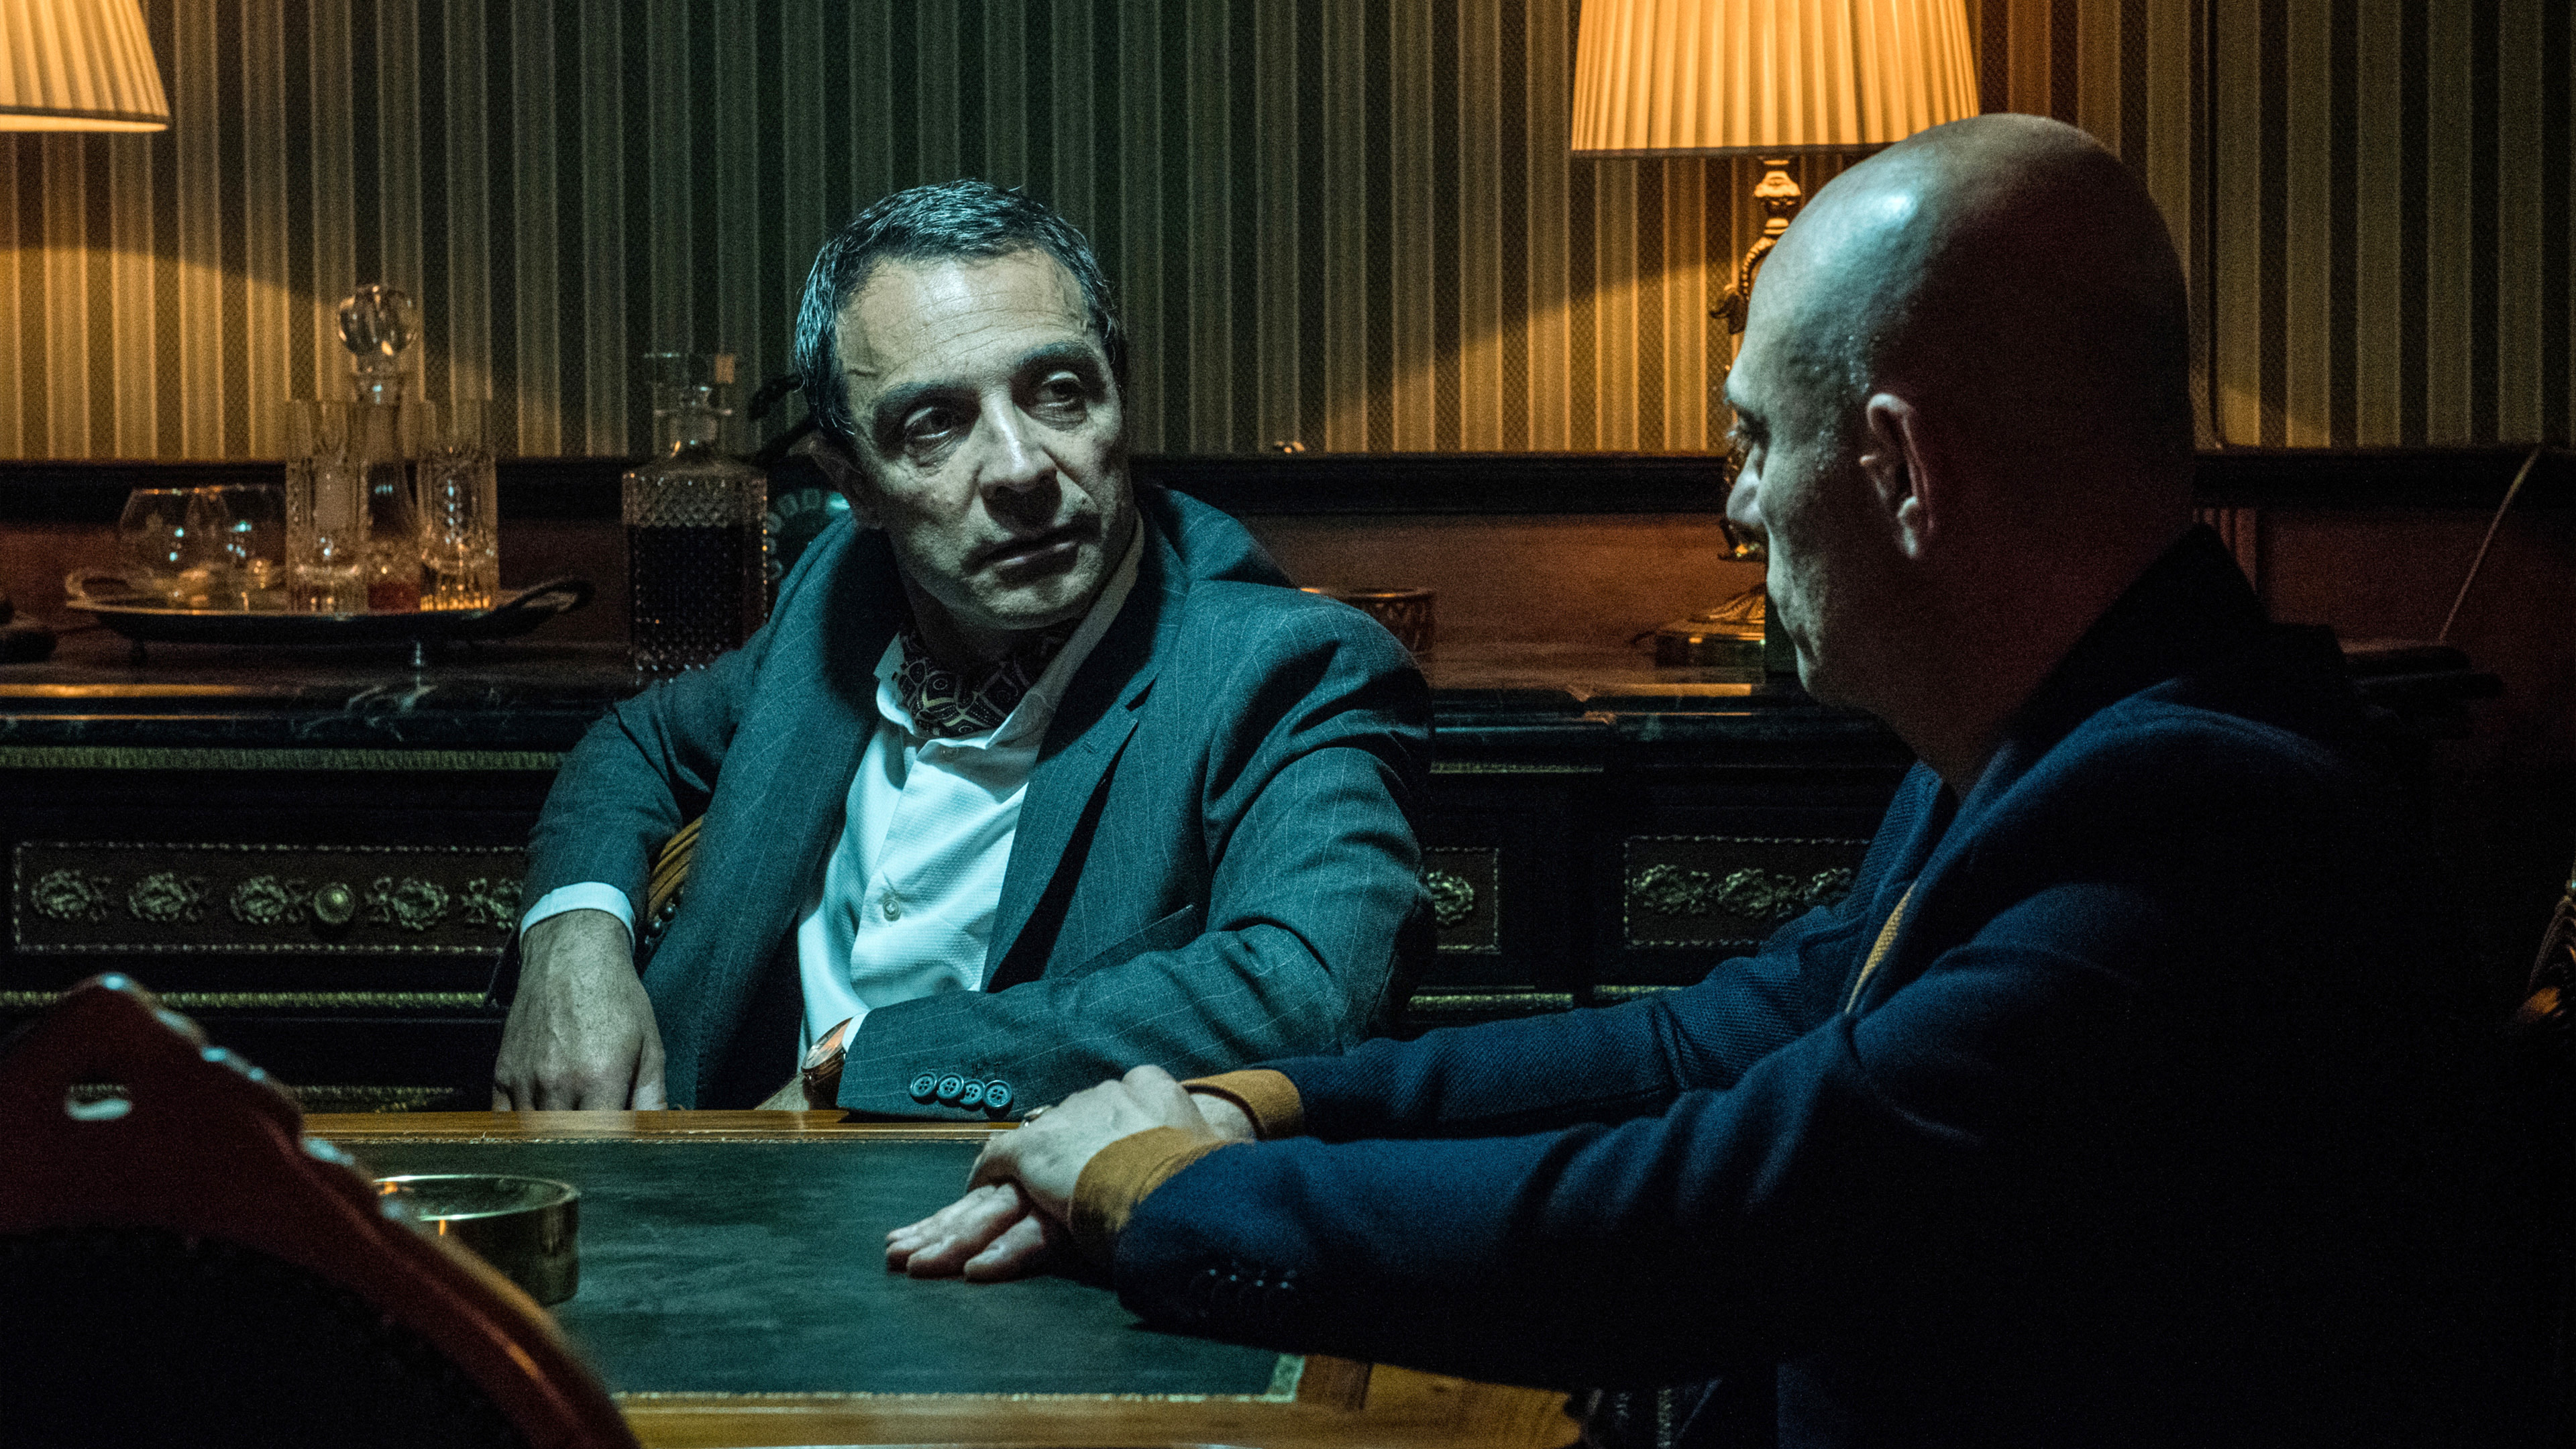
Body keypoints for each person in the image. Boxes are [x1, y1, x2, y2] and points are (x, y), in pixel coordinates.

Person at [886, 117, 2544, 1446]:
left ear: (1898, 467)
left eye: (1754, 440)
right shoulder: (2064, 744)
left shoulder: (2195, 828)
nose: (1736, 509)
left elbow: (1715, 1216)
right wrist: (1269, 1102)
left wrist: (1162, 1191)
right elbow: (1709, 1041)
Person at [492, 180, 1430, 1116]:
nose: (1021, 468)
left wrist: (860, 1065)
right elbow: (639, 745)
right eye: (935, 424)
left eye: (1060, 393)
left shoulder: (1290, 669)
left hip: (1014, 1194)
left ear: (1120, 394)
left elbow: (1310, 989)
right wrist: (571, 937)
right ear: (855, 484)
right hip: (690, 1175)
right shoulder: (842, 596)